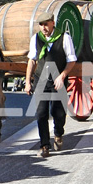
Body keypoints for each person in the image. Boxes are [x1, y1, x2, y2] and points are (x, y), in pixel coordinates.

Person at [25, 12, 77, 157]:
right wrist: (28, 81)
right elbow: (32, 60)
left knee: (58, 113)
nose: (43, 27)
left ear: (53, 23)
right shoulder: (36, 38)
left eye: (46, 24)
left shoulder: (64, 38)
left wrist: (62, 76)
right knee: (41, 114)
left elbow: (72, 60)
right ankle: (44, 145)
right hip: (40, 80)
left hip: (58, 81)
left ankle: (59, 133)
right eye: (41, 25)